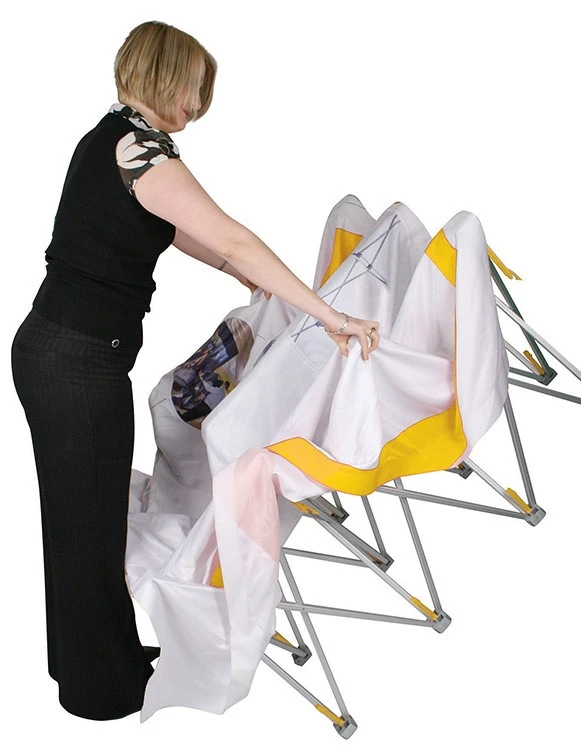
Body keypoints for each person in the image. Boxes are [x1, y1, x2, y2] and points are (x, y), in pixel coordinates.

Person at [10, 20, 380, 721]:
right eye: (194, 87)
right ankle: (101, 690)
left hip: (67, 354)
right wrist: (329, 316)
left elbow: (193, 238)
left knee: (84, 520)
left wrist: (254, 282)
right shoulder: (141, 152)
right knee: (88, 526)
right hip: (74, 363)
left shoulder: (117, 140)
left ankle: (100, 661)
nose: (198, 103)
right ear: (166, 74)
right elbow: (233, 235)